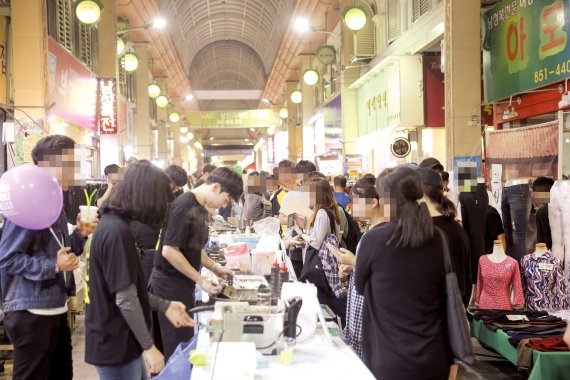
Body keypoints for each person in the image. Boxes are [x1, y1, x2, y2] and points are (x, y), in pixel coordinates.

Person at [85, 160, 194, 379]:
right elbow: (125, 299)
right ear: (146, 196)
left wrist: (164, 305)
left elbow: (130, 289)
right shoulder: (116, 232)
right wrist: (149, 347)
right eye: (161, 197)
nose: (163, 204)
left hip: (123, 339)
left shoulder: (116, 225)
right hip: (114, 343)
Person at [0, 135, 96, 379]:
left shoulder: (55, 202)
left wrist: (81, 236)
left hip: (55, 307)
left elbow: (63, 253)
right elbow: (7, 258)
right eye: (69, 164)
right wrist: (53, 264)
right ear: (46, 165)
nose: (73, 171)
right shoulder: (28, 201)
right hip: (30, 312)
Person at [355, 165, 451, 380]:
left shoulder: (374, 240)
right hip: (434, 359)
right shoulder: (438, 239)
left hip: (390, 361)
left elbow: (360, 286)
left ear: (387, 201)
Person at [150, 167, 243, 360]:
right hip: (169, 286)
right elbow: (169, 251)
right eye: (225, 200)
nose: (222, 205)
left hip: (182, 284)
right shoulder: (184, 205)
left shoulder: (198, 207)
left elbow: (192, 249)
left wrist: (216, 268)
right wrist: (201, 280)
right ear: (215, 187)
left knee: (182, 345)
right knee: (177, 352)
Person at [331, 173, 390, 358]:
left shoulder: (384, 234)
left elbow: (386, 272)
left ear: (373, 202)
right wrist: (352, 267)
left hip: (369, 321)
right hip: (358, 318)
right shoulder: (371, 230)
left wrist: (354, 262)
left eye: (356, 201)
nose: (351, 206)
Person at [418, 167, 472, 305]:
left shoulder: (425, 230)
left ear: (421, 193)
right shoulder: (457, 229)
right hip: (455, 313)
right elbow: (465, 279)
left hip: (434, 316)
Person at [294, 178, 345, 324]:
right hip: (325, 266)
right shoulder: (329, 211)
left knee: (323, 302)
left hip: (321, 266)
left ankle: (327, 328)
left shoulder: (322, 213)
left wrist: (302, 234)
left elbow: (316, 242)